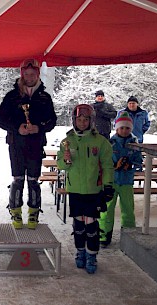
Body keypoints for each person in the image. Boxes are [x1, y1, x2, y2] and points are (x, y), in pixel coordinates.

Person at [0, 58, 57, 230]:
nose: (29, 77)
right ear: (22, 75)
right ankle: (15, 210)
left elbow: (52, 121)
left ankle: (33, 211)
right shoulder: (12, 95)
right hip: (16, 143)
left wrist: (39, 128)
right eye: (26, 74)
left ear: (37, 74)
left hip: (36, 143)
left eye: (33, 74)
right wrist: (17, 128)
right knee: (17, 179)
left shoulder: (44, 97)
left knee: (33, 179)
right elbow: (0, 119)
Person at [57, 104, 114, 274]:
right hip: (75, 190)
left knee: (91, 225)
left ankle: (92, 255)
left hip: (93, 190)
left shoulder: (100, 141)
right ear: (74, 121)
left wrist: (108, 185)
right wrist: (65, 160)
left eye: (85, 120)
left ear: (91, 121)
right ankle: (80, 252)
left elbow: (107, 166)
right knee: (79, 224)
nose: (82, 123)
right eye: (79, 120)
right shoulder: (67, 141)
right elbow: (61, 165)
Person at [99, 112, 142, 248]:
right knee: (106, 210)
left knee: (128, 210)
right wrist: (115, 166)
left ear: (131, 129)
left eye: (127, 128)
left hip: (126, 182)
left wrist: (130, 165)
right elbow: (104, 162)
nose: (124, 131)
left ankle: (130, 236)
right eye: (121, 128)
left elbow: (139, 163)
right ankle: (103, 236)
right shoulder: (110, 144)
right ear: (116, 128)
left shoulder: (135, 145)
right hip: (111, 182)